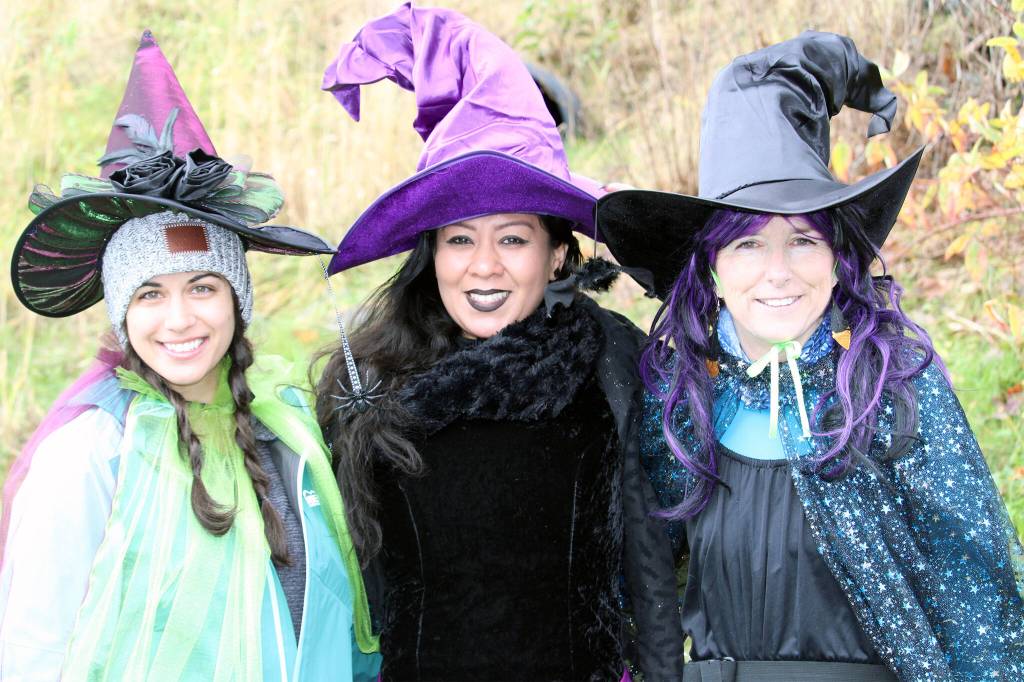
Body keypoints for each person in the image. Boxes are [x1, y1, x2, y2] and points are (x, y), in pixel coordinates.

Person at [596, 32, 1024, 681]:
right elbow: (636, 583)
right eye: (745, 245)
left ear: (836, 257)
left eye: (802, 240)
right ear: (710, 266)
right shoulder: (682, 398)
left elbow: (976, 597)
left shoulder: (894, 386)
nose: (778, 273)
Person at [317, 5, 683, 680]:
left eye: (512, 238)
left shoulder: (618, 374)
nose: (483, 265)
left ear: (558, 259)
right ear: (431, 256)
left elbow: (674, 555)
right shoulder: (367, 386)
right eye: (460, 238)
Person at [0, 31, 380, 680]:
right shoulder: (93, 454)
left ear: (239, 300)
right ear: (121, 312)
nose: (180, 320)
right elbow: (33, 648)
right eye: (149, 293)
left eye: (203, 287)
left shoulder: (290, 427)